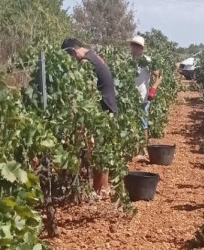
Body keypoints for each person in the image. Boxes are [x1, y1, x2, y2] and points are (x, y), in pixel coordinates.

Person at [61, 38, 118, 198]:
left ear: (72, 51)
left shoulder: (86, 63)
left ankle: (100, 190)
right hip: (109, 107)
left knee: (98, 149)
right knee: (102, 150)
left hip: (103, 110)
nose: (73, 62)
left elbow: (88, 90)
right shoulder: (93, 55)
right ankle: (104, 188)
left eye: (71, 58)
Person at [129, 35, 162, 145]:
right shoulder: (128, 60)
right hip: (129, 98)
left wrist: (153, 89)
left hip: (143, 96)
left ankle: (143, 148)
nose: (133, 48)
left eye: (136, 46)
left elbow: (159, 76)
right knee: (130, 122)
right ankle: (133, 146)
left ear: (141, 48)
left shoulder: (147, 61)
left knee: (143, 123)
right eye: (132, 45)